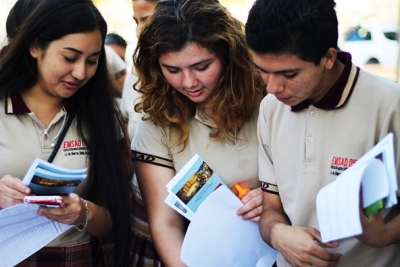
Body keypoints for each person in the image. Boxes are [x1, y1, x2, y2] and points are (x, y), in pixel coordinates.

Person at [245, 0, 400, 266]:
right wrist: (277, 233)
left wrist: (386, 234)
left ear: (328, 57)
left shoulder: (390, 106)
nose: (271, 87)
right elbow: (272, 207)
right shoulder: (271, 108)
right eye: (262, 71)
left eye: (289, 74)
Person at [131, 0, 265, 265]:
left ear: (228, 56)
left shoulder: (269, 103)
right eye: (173, 70)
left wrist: (274, 199)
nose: (189, 82)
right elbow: (165, 225)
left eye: (202, 67)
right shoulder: (156, 125)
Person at [0, 0, 133, 266]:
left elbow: (116, 220)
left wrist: (83, 212)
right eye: (70, 58)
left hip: (78, 257)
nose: (81, 72)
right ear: (35, 46)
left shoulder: (103, 120)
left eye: (93, 61)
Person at [121, 0, 160, 141]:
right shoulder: (137, 69)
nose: (138, 32)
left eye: (147, 20)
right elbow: (126, 122)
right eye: (136, 22)